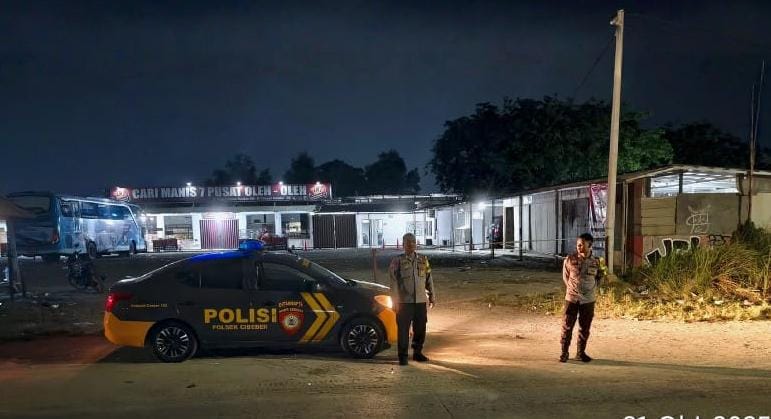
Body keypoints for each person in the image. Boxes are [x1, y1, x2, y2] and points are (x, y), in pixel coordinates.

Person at [389, 232, 436, 366]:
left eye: (413, 242)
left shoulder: (423, 259)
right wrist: (395, 301)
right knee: (403, 331)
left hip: (420, 302)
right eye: (408, 242)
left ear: (416, 244)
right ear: (403, 245)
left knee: (420, 329)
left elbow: (429, 279)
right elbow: (393, 283)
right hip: (404, 303)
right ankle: (403, 356)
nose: (411, 244)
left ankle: (417, 353)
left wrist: (432, 296)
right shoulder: (397, 261)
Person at [560, 232, 604, 363]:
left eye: (582, 245)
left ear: (590, 245)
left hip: (588, 300)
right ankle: (564, 353)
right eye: (578, 245)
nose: (579, 247)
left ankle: (580, 353)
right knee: (567, 326)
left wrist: (590, 290)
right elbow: (566, 277)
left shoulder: (597, 262)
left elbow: (599, 278)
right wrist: (573, 290)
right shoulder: (570, 259)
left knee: (585, 328)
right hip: (572, 299)